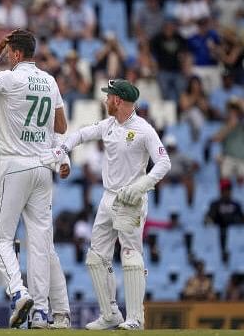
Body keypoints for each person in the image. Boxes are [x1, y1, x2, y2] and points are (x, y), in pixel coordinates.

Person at [0, 29, 69, 329]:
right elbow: (61, 124)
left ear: (16, 55)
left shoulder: (6, 81)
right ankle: (41, 314)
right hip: (43, 169)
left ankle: (18, 293)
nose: (4, 59)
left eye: (7, 55)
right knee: (41, 243)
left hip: (13, 167)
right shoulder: (49, 80)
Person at [50, 79, 171, 330]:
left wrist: (142, 185)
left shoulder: (144, 129)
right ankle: (110, 314)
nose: (105, 101)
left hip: (131, 199)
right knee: (96, 257)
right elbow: (82, 133)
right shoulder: (109, 125)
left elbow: (164, 163)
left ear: (118, 100)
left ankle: (136, 318)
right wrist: (63, 147)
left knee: (130, 255)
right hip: (108, 198)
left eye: (108, 97)